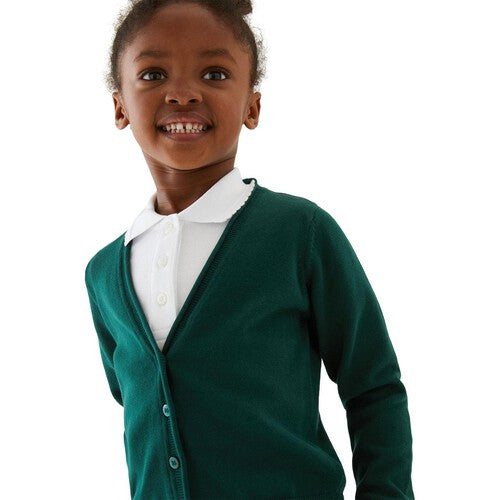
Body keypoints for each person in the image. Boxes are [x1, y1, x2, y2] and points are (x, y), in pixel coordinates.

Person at [84, 0, 415, 498]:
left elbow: (374, 387)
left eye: (214, 74)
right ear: (120, 107)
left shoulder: (300, 233)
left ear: (252, 107)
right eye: (153, 74)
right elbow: (137, 403)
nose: (182, 93)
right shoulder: (104, 273)